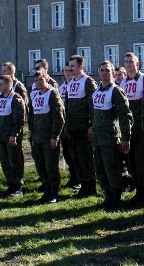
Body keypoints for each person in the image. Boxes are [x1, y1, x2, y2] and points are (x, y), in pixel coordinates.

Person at [89, 61, 133, 211]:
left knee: (112, 168)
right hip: (98, 138)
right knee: (100, 169)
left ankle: (116, 197)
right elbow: (93, 113)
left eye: (107, 70)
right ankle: (107, 194)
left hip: (111, 137)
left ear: (113, 73)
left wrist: (126, 138)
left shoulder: (116, 91)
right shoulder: (96, 91)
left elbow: (125, 116)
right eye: (102, 70)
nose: (105, 73)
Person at [29, 68, 65, 203]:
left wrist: (55, 136)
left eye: (41, 79)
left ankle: (54, 192)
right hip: (37, 137)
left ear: (47, 79)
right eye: (36, 80)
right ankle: (47, 189)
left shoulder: (53, 95)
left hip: (49, 137)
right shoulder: (35, 95)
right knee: (41, 164)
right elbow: (32, 117)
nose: (38, 82)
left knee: (51, 165)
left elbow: (59, 117)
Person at [65, 55, 98, 197]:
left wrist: (91, 125)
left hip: (84, 128)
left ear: (81, 66)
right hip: (72, 127)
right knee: (76, 158)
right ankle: (83, 185)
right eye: (70, 66)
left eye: (73, 66)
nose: (70, 68)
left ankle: (90, 187)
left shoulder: (88, 82)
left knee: (86, 158)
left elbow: (93, 106)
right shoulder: (71, 82)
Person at [122, 52, 144, 205]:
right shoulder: (123, 82)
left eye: (131, 61)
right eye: (126, 61)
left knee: (141, 161)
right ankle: (138, 189)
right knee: (130, 160)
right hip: (128, 127)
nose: (128, 64)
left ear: (137, 64)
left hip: (141, 126)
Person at [0, 75, 26, 196]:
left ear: (9, 85)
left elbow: (19, 120)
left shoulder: (16, 99)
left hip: (11, 137)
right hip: (2, 136)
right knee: (5, 162)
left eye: (1, 84)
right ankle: (10, 184)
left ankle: (18, 186)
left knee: (15, 161)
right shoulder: (0, 98)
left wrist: (14, 135)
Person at [58, 63, 80, 189]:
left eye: (69, 70)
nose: (67, 72)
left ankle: (78, 178)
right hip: (64, 125)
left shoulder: (76, 85)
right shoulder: (62, 87)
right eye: (65, 70)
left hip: (74, 124)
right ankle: (73, 176)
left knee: (75, 153)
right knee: (66, 152)